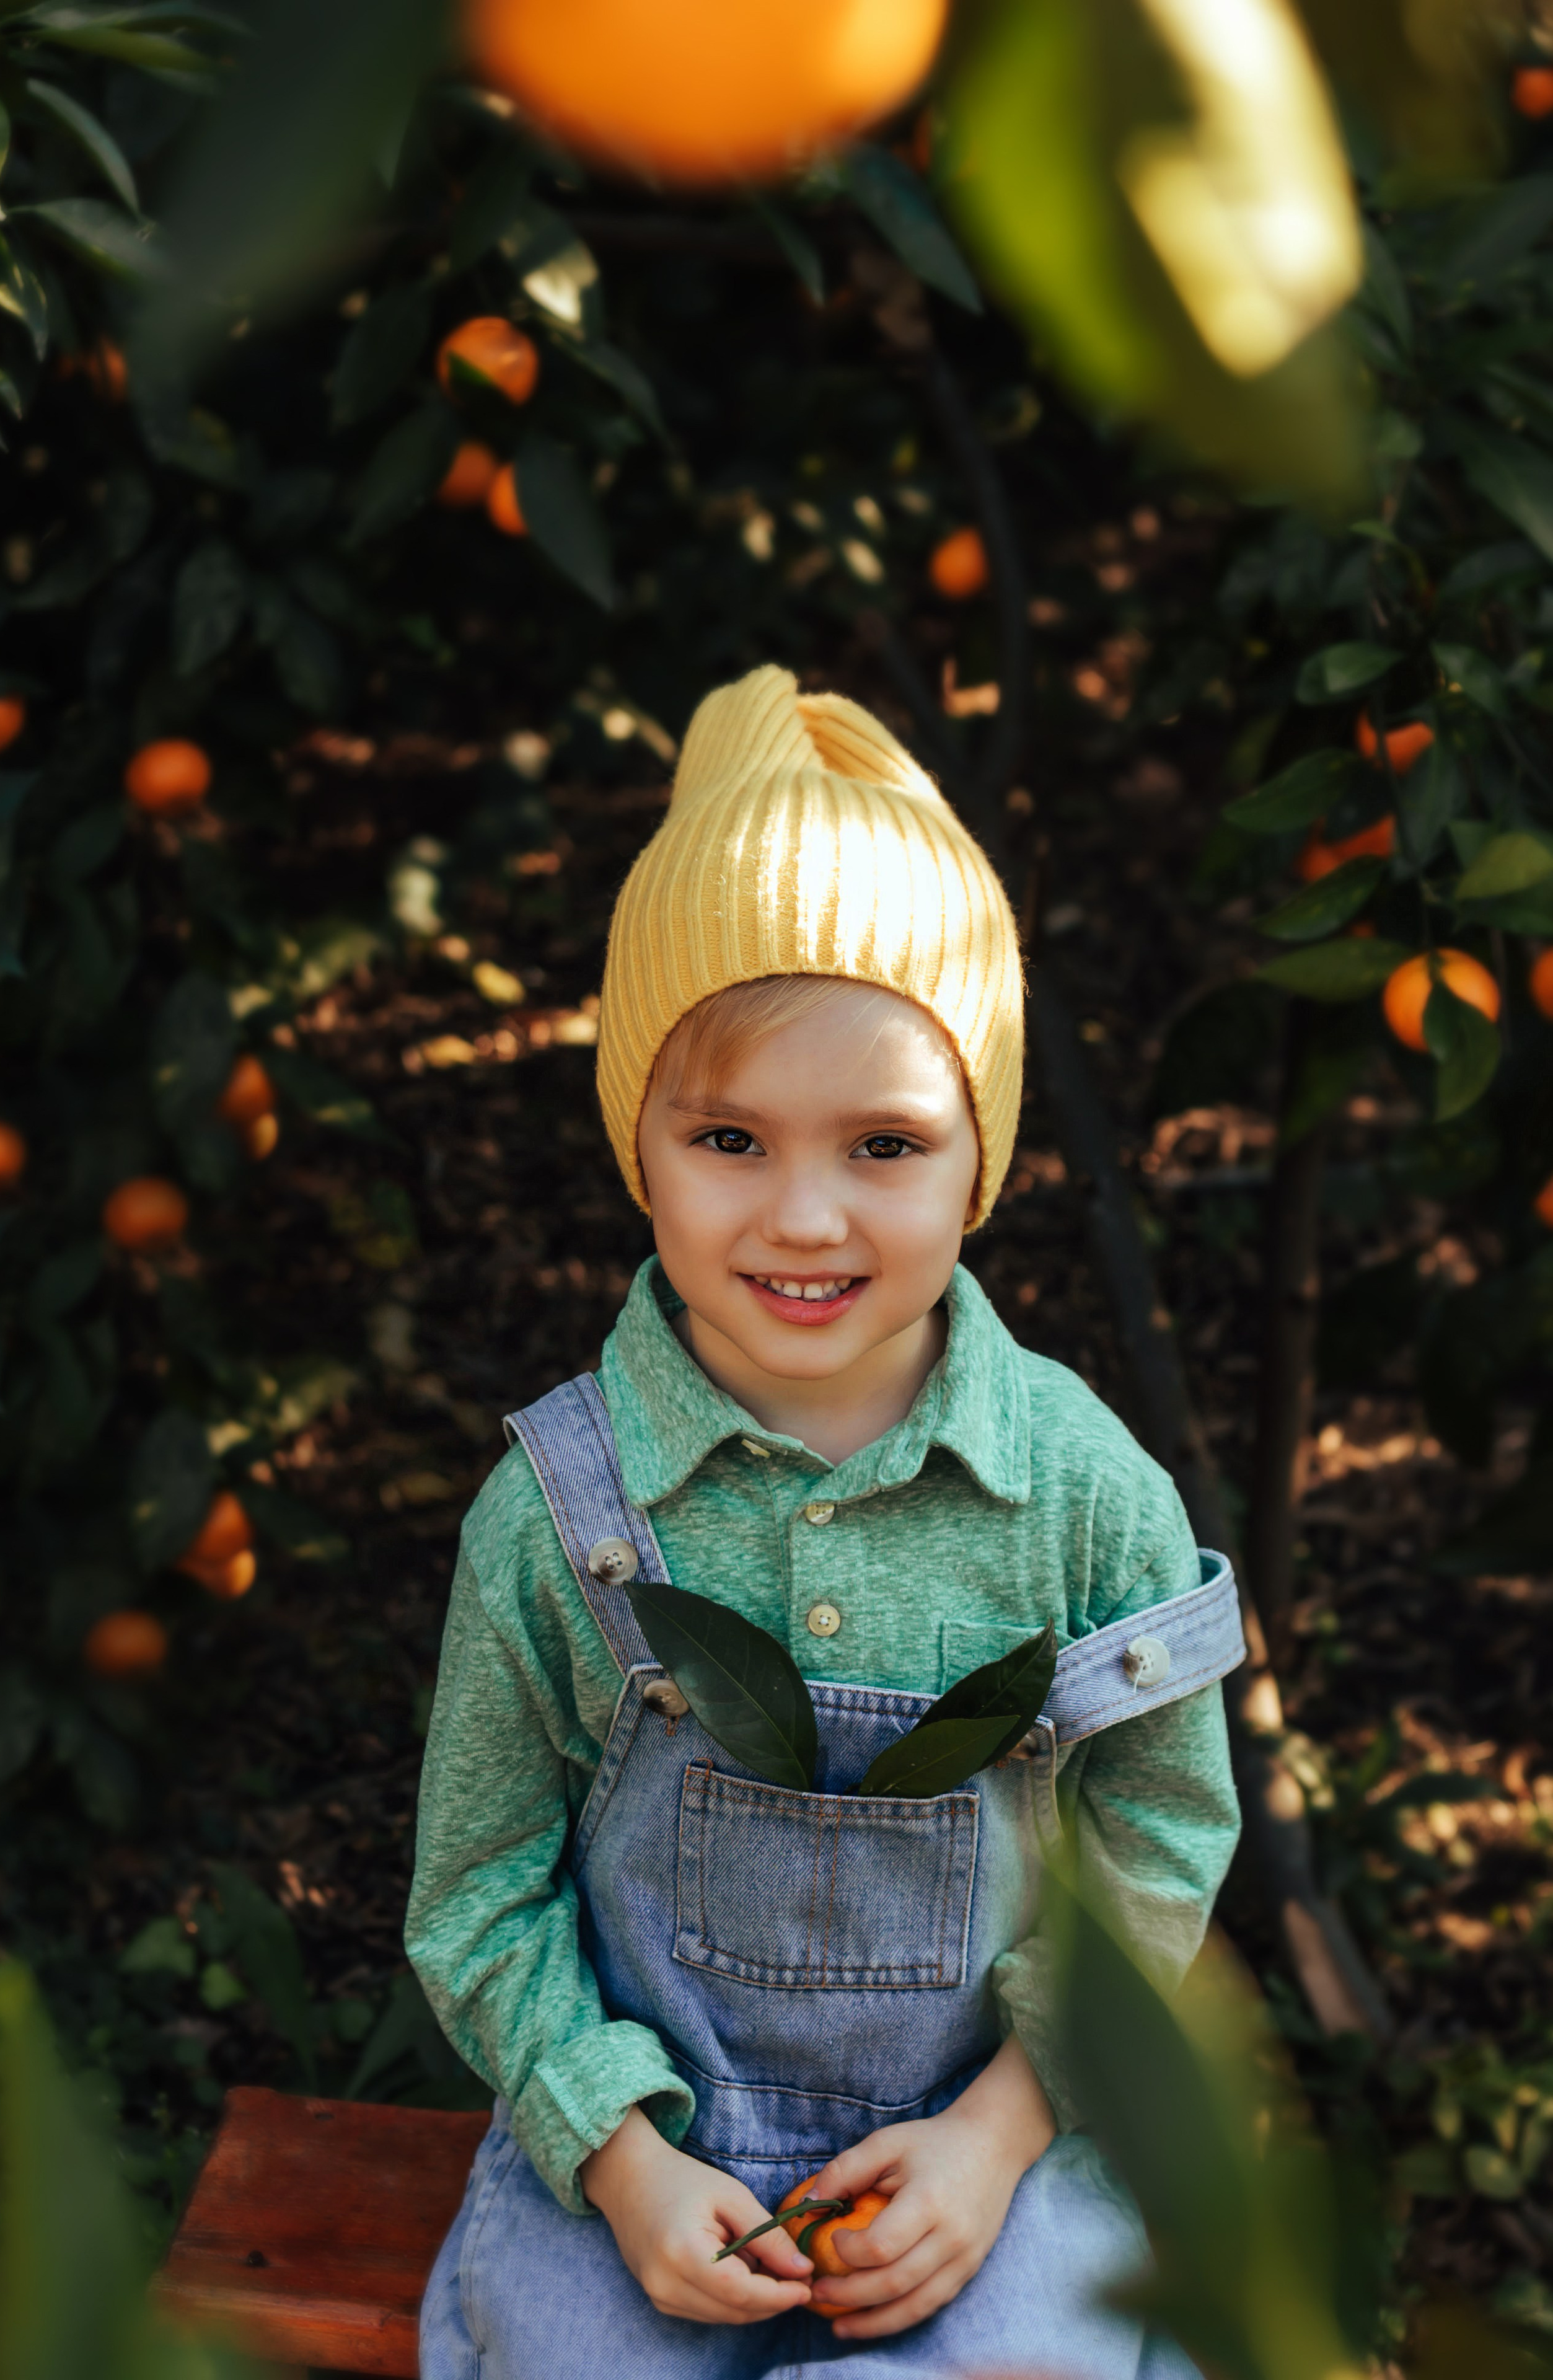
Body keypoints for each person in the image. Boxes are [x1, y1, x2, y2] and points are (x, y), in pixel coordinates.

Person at [409, 664, 1244, 2378]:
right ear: (638, 1144)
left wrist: (1005, 2130)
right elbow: (477, 1891)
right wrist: (617, 2155)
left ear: (978, 1157)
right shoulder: (563, 1514)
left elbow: (1159, 1839)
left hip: (987, 2144)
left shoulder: (1081, 1495)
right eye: (730, 1136)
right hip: (653, 2151)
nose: (804, 1217)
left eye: (884, 1145)